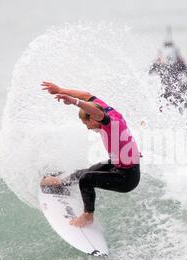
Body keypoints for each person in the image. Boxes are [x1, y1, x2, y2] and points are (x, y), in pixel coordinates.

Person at [39, 82, 141, 228]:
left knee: (87, 179)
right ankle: (61, 183)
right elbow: (87, 96)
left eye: (86, 123)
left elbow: (93, 110)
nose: (87, 128)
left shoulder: (109, 122)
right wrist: (61, 90)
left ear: (93, 119)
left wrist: (74, 101)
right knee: (86, 172)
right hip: (118, 164)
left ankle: (88, 216)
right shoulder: (111, 112)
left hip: (126, 178)